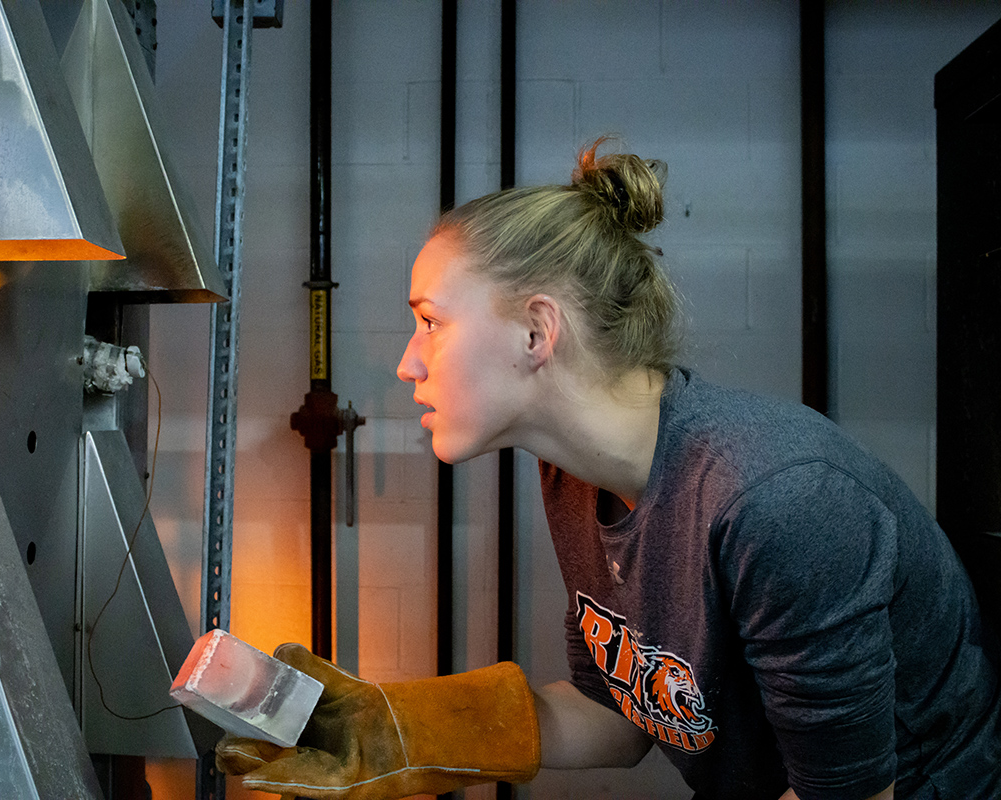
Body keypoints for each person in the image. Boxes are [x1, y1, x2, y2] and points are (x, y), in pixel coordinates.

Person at [216, 139, 1001, 800]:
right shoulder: (574, 477)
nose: (406, 362)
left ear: (536, 331)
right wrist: (398, 728)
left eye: (430, 321)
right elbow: (621, 715)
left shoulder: (775, 499)